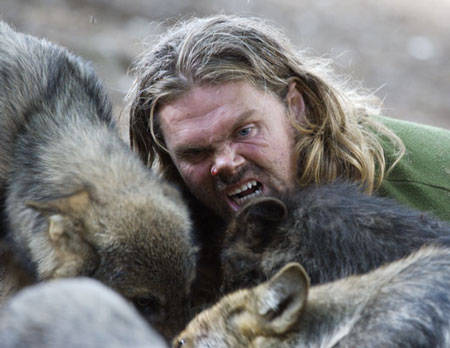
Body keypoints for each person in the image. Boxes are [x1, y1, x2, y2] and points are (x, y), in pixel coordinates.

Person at [128, 15, 450, 225]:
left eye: (244, 131)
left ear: (295, 105)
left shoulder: (429, 183)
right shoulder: (179, 238)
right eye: (196, 153)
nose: (226, 163)